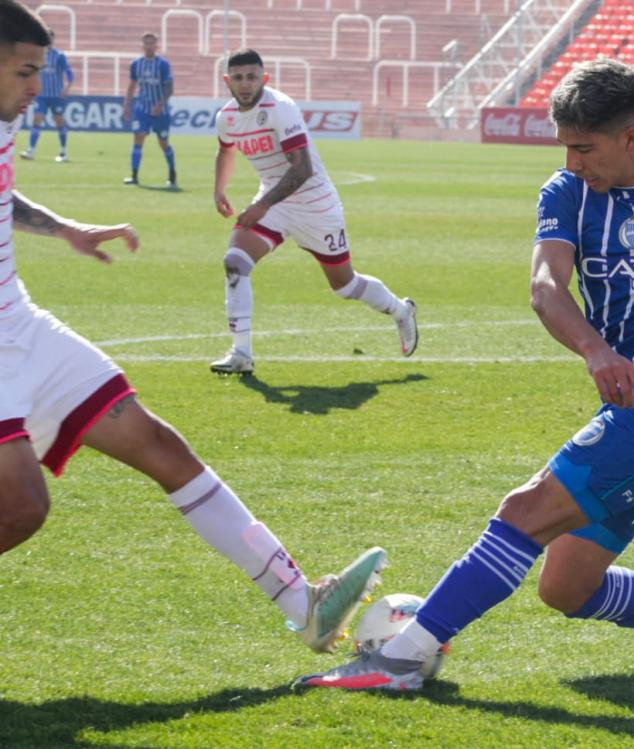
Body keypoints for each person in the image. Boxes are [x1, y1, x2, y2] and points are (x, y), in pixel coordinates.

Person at [295, 58, 634, 693]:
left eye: (585, 148)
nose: (574, 162)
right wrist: (595, 351)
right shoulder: (567, 193)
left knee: (525, 510)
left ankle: (401, 659)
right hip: (631, 411)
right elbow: (546, 287)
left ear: (631, 137)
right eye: (566, 148)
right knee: (567, 586)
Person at [0, 0, 385, 657]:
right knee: (23, 509)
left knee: (161, 445)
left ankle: (306, 605)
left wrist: (64, 228)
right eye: (26, 72)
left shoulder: (4, 118)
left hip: (23, 323)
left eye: (41, 71)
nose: (40, 86)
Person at [209, 49, 417, 374]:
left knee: (344, 286)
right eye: (238, 78)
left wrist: (262, 205)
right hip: (274, 201)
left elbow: (302, 169)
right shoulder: (226, 116)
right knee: (235, 263)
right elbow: (225, 151)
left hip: (315, 204)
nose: (245, 84)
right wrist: (219, 189)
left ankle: (400, 310)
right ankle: (241, 354)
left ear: (264, 78)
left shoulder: (280, 108)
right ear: (227, 81)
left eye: (252, 77)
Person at [121, 31, 176, 187]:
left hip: (161, 112)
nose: (149, 46)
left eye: (152, 43)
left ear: (156, 45)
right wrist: (127, 105)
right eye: (147, 43)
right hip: (142, 110)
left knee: (163, 143)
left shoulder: (163, 65)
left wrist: (160, 104)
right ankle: (134, 175)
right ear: (142, 45)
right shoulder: (136, 64)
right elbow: (132, 86)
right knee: (138, 138)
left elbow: (169, 88)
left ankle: (172, 174)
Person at [18, 27, 71, 162]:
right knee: (37, 120)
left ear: (53, 39)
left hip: (56, 96)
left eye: (50, 38)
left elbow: (70, 74)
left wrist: (67, 88)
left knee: (59, 122)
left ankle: (63, 152)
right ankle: (31, 150)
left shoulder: (59, 56)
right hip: (41, 96)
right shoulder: (38, 55)